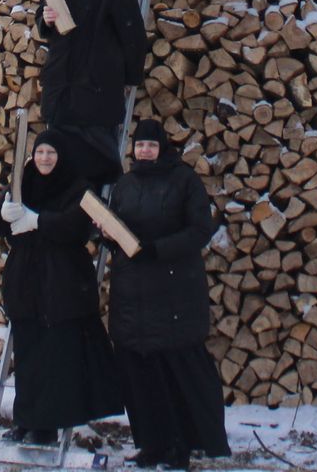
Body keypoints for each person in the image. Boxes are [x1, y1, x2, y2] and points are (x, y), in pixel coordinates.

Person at [0, 129, 123, 443]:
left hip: (62, 280)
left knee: (56, 355)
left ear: (61, 157)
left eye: (51, 153)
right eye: (40, 152)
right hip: (26, 280)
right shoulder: (21, 184)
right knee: (28, 354)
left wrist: (39, 221)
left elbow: (78, 225)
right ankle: (26, 420)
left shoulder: (78, 187)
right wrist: (2, 214)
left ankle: (48, 426)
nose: (45, 158)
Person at [106, 119, 229, 471]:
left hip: (173, 290)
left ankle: (181, 444)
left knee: (175, 372)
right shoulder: (125, 184)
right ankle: (151, 443)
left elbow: (200, 230)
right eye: (140, 145)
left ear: (162, 148)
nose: (145, 151)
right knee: (140, 375)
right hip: (132, 293)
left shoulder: (184, 180)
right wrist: (108, 234)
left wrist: (157, 249)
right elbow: (120, 232)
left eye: (151, 145)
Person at [37, 0, 147, 185]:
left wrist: (130, 77)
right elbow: (44, 18)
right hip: (62, 88)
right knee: (60, 175)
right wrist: (45, 19)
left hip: (98, 90)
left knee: (98, 175)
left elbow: (131, 30)